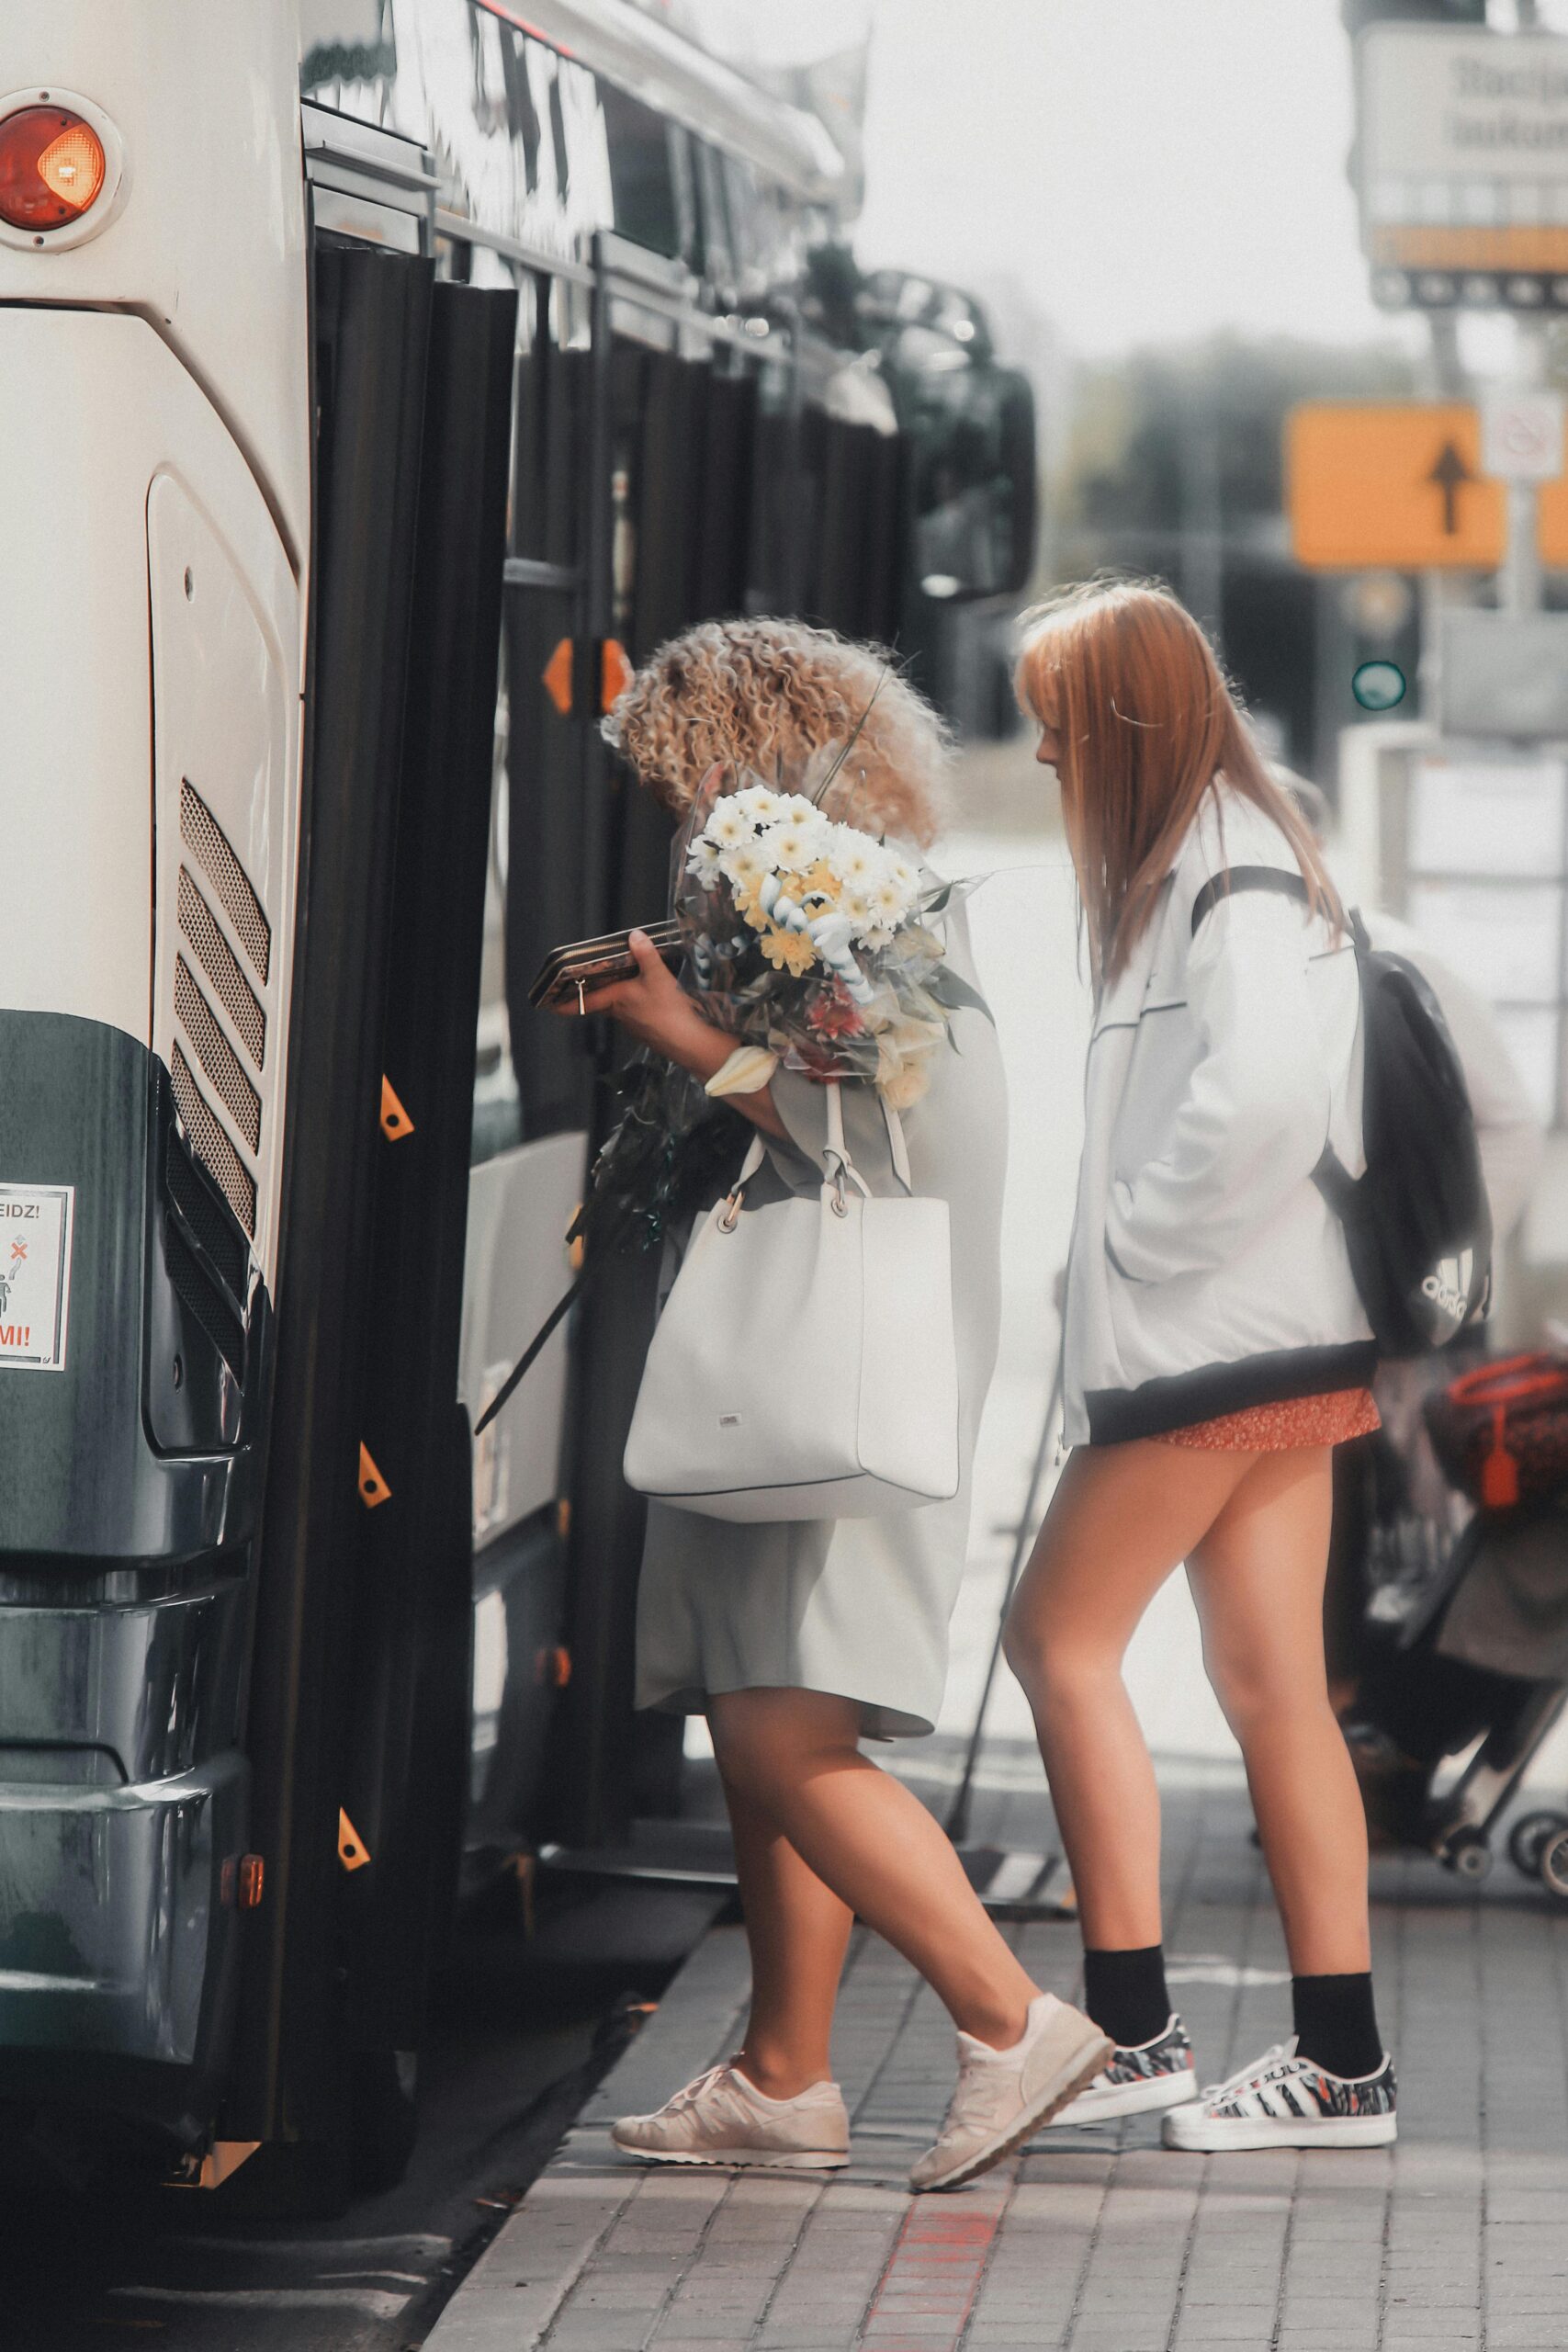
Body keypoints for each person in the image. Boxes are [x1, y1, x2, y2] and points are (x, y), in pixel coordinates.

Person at [554, 617, 1109, 2193]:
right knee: (760, 1720)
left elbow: (893, 1122)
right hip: (819, 1365)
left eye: (690, 774)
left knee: (793, 1736)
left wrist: (690, 1044)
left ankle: (1012, 2023)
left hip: (842, 1369)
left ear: (753, 756)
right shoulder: (860, 905)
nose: (686, 811)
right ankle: (784, 2080)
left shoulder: (858, 914)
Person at [1004, 579, 1398, 2152]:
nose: (1040, 757)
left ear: (1120, 719)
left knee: (1057, 1640)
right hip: (1282, 1336)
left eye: (1052, 723)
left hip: (1214, 1342)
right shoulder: (1234, 857)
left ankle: (1130, 2028)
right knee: (1274, 1692)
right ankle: (1342, 2064)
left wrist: (1134, 1247)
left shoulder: (1217, 872)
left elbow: (1263, 1101)